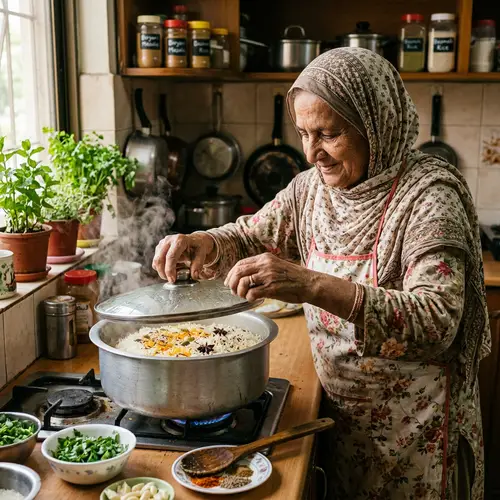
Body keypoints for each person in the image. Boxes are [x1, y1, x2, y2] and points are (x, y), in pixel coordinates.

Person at [153, 48, 490, 499]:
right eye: (304, 133)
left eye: (329, 134)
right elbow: (251, 235)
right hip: (339, 416)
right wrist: (205, 241)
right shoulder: (311, 189)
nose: (312, 153)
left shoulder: (430, 197)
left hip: (416, 431)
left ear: (376, 126)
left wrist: (310, 284)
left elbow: (437, 319)